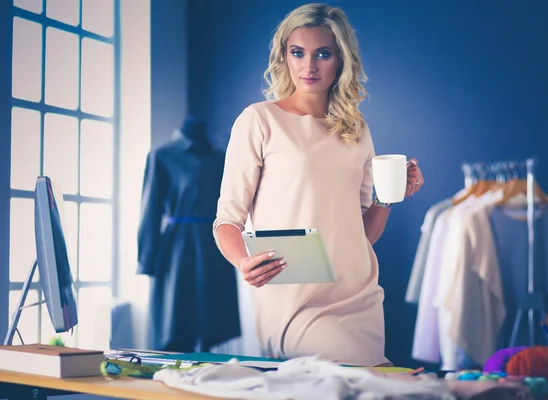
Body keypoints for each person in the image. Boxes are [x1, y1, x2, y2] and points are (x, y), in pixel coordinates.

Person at [212, 3, 424, 367]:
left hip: (358, 295)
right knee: (381, 378)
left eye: (322, 54)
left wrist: (389, 198)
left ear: (341, 60)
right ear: (285, 57)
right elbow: (227, 220)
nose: (309, 66)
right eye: (298, 53)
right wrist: (244, 262)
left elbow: (360, 235)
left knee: (361, 387)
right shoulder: (259, 121)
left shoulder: (356, 131)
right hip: (291, 298)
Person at [138, 116, 241, 353]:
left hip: (215, 244)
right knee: (178, 320)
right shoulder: (163, 155)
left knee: (213, 322)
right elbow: (150, 208)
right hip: (179, 247)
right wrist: (147, 258)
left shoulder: (221, 158)